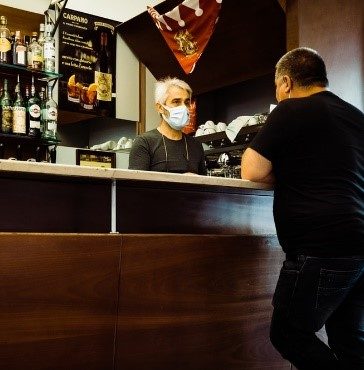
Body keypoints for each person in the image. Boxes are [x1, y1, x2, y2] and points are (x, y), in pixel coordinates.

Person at [241, 47, 364, 369]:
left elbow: (251, 171)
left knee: (288, 335)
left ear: (285, 82)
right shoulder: (356, 116)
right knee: (349, 339)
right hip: (359, 243)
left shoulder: (291, 109)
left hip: (320, 244)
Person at [128, 76, 207, 175]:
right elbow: (135, 186)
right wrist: (181, 181)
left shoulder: (196, 145)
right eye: (176, 102)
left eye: (186, 102)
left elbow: (204, 186)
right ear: (160, 108)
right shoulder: (144, 143)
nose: (183, 107)